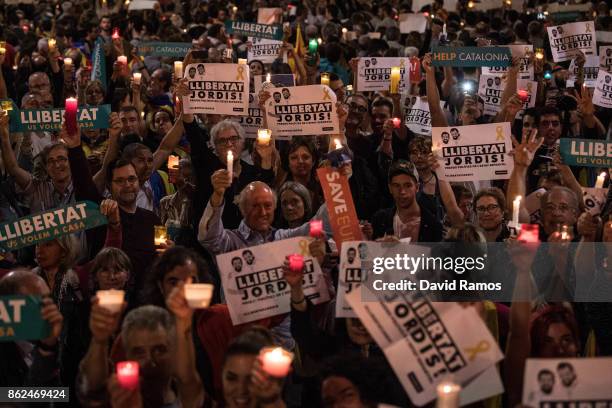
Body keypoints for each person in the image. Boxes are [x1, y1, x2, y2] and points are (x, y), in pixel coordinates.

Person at [371, 160, 443, 242]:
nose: (402, 191)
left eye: (408, 185)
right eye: (396, 186)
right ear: (390, 188)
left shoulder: (433, 225)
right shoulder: (379, 220)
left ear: (417, 187)